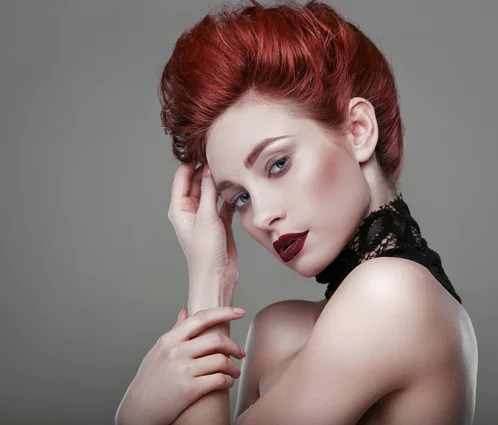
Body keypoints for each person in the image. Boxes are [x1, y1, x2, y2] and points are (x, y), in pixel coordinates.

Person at [115, 1, 478, 424]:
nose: (263, 216)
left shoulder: (393, 294)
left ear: (358, 130)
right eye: (240, 198)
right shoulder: (277, 331)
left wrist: (135, 414)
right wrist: (212, 278)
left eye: (278, 164)